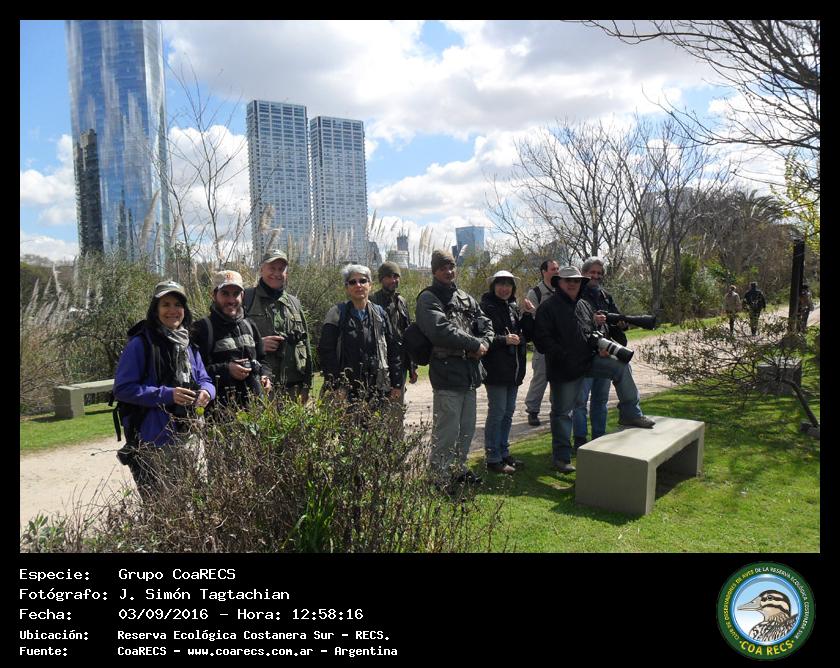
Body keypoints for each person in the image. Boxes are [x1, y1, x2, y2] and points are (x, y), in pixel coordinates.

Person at [534, 266, 655, 473]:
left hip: (588, 361)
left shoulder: (583, 305)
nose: (572, 284)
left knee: (621, 366)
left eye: (576, 280)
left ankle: (630, 412)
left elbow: (589, 333)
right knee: (562, 414)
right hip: (564, 369)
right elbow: (542, 341)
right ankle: (561, 458)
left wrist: (600, 348)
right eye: (567, 280)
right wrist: (564, 355)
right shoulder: (548, 307)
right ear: (559, 282)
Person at [113, 280, 215, 498]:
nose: (172, 310)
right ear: (155, 309)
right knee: (164, 506)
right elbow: (123, 389)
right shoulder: (140, 344)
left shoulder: (188, 343)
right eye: (165, 304)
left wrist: (207, 392)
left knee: (198, 500)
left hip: (190, 435)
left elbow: (204, 378)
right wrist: (168, 395)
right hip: (155, 440)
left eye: (177, 304)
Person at [415, 249, 494, 492]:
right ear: (434, 271)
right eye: (443, 268)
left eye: (451, 267)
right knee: (447, 431)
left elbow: (486, 324)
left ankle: (459, 469)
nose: (448, 272)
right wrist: (474, 344)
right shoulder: (428, 298)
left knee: (467, 428)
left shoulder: (465, 297)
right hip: (447, 373)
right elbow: (440, 330)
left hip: (470, 374)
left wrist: (484, 343)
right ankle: (438, 477)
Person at [317, 264, 403, 410]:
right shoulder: (337, 313)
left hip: (376, 388)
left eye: (363, 281)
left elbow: (393, 349)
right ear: (347, 287)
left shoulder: (380, 314)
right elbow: (326, 352)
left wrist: (396, 383)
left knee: (376, 424)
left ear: (370, 285)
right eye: (352, 282)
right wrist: (336, 386)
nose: (358, 285)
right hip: (345, 391)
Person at [191, 270, 272, 409]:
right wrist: (227, 369)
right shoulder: (202, 328)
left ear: (242, 295)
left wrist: (265, 375)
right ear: (213, 295)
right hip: (219, 414)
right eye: (225, 294)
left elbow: (263, 360)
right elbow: (195, 373)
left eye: (236, 294)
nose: (231, 300)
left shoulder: (250, 325)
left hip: (255, 410)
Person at [572, 257, 628, 449]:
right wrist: (592, 321)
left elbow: (616, 320)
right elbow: (572, 324)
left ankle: (599, 439)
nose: (595, 276)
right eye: (592, 273)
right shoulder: (576, 295)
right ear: (583, 273)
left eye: (598, 273)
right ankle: (580, 441)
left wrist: (622, 324)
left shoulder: (606, 296)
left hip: (605, 353)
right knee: (580, 401)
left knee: (601, 399)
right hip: (584, 355)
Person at [243, 249, 313, 402]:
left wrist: (307, 385)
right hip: (261, 387)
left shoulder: (294, 303)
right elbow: (232, 338)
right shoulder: (246, 298)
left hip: (294, 388)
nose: (276, 273)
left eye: (281, 269)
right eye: (272, 268)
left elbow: (305, 344)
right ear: (261, 269)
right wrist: (258, 344)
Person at [480, 270, 532, 474]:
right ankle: (493, 457)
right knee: (497, 413)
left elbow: (526, 335)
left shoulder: (512, 307)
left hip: (513, 371)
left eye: (508, 285)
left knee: (508, 413)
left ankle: (503, 452)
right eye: (500, 284)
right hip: (496, 370)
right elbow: (481, 338)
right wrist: (504, 340)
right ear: (493, 286)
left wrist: (527, 314)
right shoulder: (486, 308)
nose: (504, 288)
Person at [521, 259, 560, 426]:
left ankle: (557, 411)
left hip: (560, 344)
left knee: (559, 379)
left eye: (558, 269)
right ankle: (532, 411)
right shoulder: (535, 293)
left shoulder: (562, 290)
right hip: (543, 345)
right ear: (544, 271)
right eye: (553, 269)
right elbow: (531, 320)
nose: (556, 272)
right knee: (540, 378)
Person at [370, 261, 418, 391]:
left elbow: (407, 335)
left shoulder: (401, 301)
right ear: (381, 279)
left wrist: (412, 366)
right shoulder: (373, 301)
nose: (393, 280)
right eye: (389, 276)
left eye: (396, 276)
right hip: (381, 364)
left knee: (398, 400)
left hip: (400, 363)